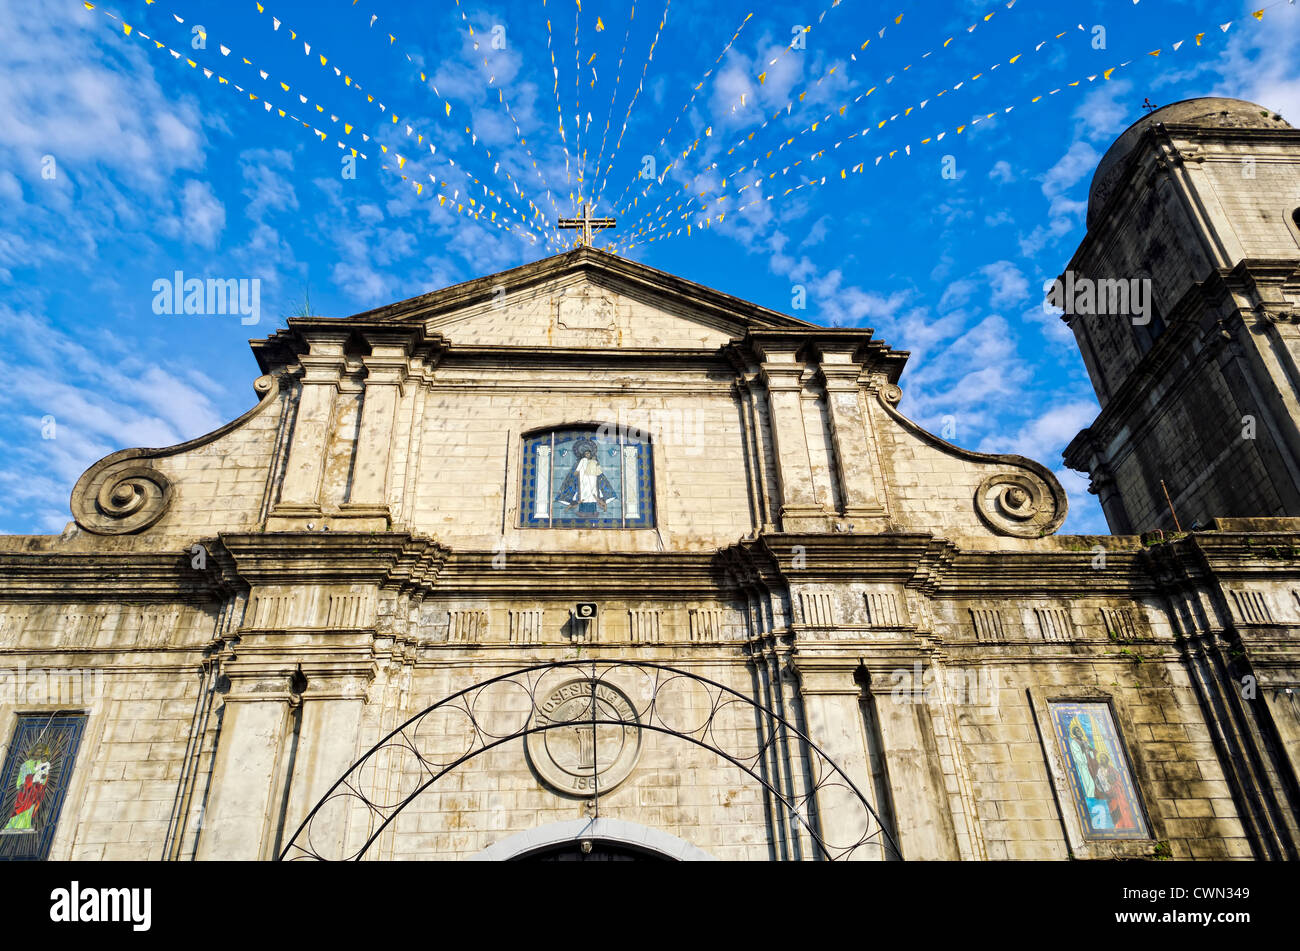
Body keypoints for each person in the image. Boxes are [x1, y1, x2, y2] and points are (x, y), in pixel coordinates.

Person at [555, 437, 617, 516]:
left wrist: (596, 464)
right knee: (584, 494)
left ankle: (593, 511)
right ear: (583, 454)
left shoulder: (593, 461)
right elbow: (577, 470)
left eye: (589, 453)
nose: (587, 455)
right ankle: (582, 511)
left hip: (592, 479)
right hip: (583, 480)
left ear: (591, 454)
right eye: (586, 453)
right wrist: (574, 475)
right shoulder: (582, 460)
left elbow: (598, 470)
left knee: (593, 494)